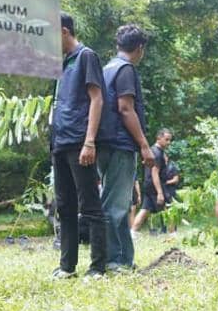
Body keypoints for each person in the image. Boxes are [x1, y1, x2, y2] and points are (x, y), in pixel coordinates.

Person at [50, 14, 110, 278]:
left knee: (90, 205)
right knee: (64, 206)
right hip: (59, 142)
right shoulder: (62, 63)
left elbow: (96, 99)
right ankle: (67, 266)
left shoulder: (87, 56)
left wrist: (89, 141)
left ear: (64, 32)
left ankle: (97, 266)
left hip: (79, 141)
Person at [97, 24, 155, 271]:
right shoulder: (126, 69)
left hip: (103, 143)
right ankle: (113, 260)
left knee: (115, 200)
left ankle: (123, 259)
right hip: (121, 144)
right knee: (115, 205)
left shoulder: (106, 68)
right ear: (140, 48)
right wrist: (144, 145)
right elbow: (125, 108)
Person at [132, 128, 173, 233]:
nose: (169, 142)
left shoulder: (152, 151)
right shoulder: (157, 153)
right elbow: (155, 173)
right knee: (168, 208)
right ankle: (172, 233)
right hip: (155, 185)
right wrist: (160, 192)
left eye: (170, 140)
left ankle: (132, 233)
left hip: (148, 184)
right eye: (166, 139)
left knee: (145, 209)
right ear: (159, 138)